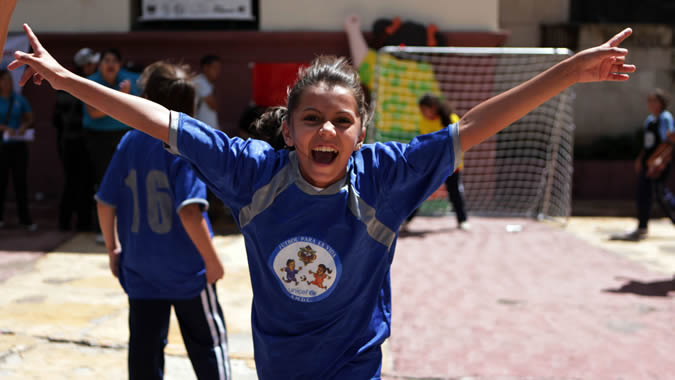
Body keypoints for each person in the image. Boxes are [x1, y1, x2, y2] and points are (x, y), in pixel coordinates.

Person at [11, 23, 635, 380]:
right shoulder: (254, 173)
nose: (327, 132)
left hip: (355, 367)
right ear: (288, 130)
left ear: (362, 130)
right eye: (312, 119)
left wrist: (568, 72)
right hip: (280, 367)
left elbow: (473, 125)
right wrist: (67, 81)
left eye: (342, 120)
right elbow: (159, 120)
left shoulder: (386, 176)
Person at [95, 61, 230, 380]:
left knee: (144, 351)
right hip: (188, 272)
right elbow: (189, 210)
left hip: (140, 270)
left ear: (146, 98)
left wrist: (113, 249)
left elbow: (105, 202)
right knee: (208, 345)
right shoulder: (187, 144)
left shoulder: (129, 142)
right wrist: (213, 261)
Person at [613, 89, 675, 241]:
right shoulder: (649, 120)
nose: (652, 104)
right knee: (643, 194)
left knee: (662, 195)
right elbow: (648, 145)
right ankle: (642, 227)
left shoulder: (665, 118)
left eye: (655, 101)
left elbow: (668, 142)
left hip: (658, 163)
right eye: (650, 101)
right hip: (648, 162)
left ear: (662, 103)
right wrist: (641, 158)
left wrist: (656, 159)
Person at [404, 93, 469, 230]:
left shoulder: (451, 119)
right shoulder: (423, 121)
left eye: (424, 109)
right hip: (432, 163)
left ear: (433, 107)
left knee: (454, 192)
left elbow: (457, 143)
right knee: (420, 191)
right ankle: (406, 220)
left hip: (452, 162)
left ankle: (462, 220)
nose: (422, 113)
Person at [52, 47, 99, 231]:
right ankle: (65, 223)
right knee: (73, 182)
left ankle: (83, 223)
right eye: (91, 64)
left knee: (86, 182)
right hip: (72, 143)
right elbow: (62, 118)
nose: (94, 67)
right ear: (84, 66)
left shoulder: (89, 83)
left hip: (84, 141)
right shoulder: (70, 86)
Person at [0, 69, 35, 230]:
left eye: (9, 80)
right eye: (4, 80)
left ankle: (25, 219)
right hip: (2, 145)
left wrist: (23, 127)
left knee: (20, 182)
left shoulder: (19, 99)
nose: (7, 83)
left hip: (18, 144)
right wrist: (4, 128)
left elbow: (30, 118)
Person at [193, 55, 222, 130]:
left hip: (209, 129)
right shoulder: (200, 81)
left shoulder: (208, 84)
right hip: (201, 129)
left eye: (219, 68)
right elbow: (213, 105)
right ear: (205, 67)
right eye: (214, 68)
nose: (217, 71)